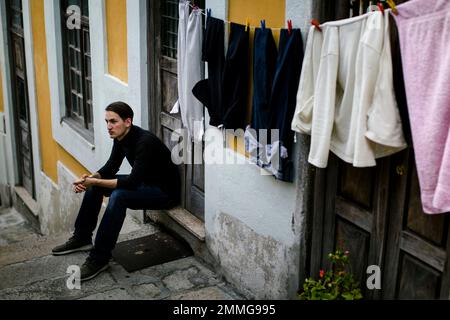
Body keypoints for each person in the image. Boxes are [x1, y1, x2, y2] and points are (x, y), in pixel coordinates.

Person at [52, 102, 181, 281]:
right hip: (145, 184)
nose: (109, 126)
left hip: (164, 193)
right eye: (107, 122)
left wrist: (95, 181)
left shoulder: (145, 141)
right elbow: (111, 166)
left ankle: (99, 258)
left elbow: (132, 181)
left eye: (113, 121)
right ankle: (82, 238)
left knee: (119, 196)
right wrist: (89, 179)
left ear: (127, 121)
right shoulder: (120, 138)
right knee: (97, 186)